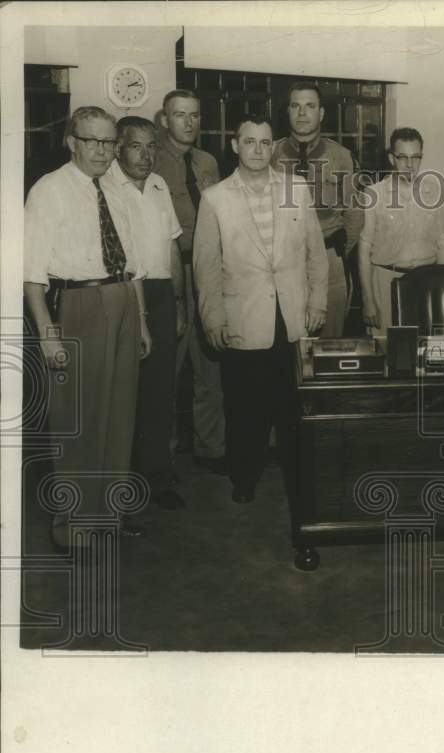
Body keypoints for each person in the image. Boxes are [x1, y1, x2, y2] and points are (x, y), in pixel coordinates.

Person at [23, 106, 151, 550]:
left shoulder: (116, 189)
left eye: (109, 141)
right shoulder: (49, 190)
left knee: (119, 416)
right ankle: (72, 526)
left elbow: (132, 263)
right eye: (92, 140)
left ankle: (107, 517)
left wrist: (142, 321)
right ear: (71, 141)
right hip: (78, 303)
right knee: (78, 419)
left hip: (123, 301)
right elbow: (32, 274)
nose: (102, 150)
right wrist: (47, 333)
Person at [193, 116, 328, 504]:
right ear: (235, 145)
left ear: (274, 147)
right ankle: (245, 478)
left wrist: (317, 301)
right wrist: (213, 318)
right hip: (244, 319)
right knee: (244, 408)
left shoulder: (296, 189)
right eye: (249, 141)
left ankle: (296, 481)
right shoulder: (215, 198)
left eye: (265, 143)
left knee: (292, 408)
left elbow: (316, 253)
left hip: (293, 317)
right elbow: (205, 266)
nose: (257, 149)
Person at [108, 116, 187, 509]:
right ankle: (121, 483)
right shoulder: (105, 187)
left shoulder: (158, 185)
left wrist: (178, 302)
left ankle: (157, 477)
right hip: (122, 293)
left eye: (151, 146)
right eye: (136, 146)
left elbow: (172, 246)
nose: (145, 155)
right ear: (119, 148)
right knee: (123, 393)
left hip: (160, 293)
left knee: (160, 391)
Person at [153, 89, 226, 475]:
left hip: (209, 273)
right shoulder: (151, 159)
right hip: (172, 274)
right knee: (167, 371)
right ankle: (163, 458)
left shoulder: (208, 161)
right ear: (165, 119)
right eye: (180, 115)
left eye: (194, 115)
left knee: (210, 367)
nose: (189, 122)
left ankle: (210, 449)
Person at [271, 81, 360, 337]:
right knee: (287, 337)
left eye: (310, 106)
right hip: (283, 259)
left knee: (329, 341)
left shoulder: (341, 155)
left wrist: (336, 251)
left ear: (321, 113)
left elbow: (354, 214)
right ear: (287, 111)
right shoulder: (271, 153)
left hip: (330, 257)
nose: (302, 113)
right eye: (295, 106)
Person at [357, 127, 444, 337]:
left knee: (427, 349)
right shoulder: (374, 194)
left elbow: (442, 246)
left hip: (427, 282)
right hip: (386, 283)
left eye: (415, 157)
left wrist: (443, 293)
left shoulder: (435, 192)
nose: (410, 165)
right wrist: (368, 300)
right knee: (386, 349)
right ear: (392, 158)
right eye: (403, 157)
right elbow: (364, 250)